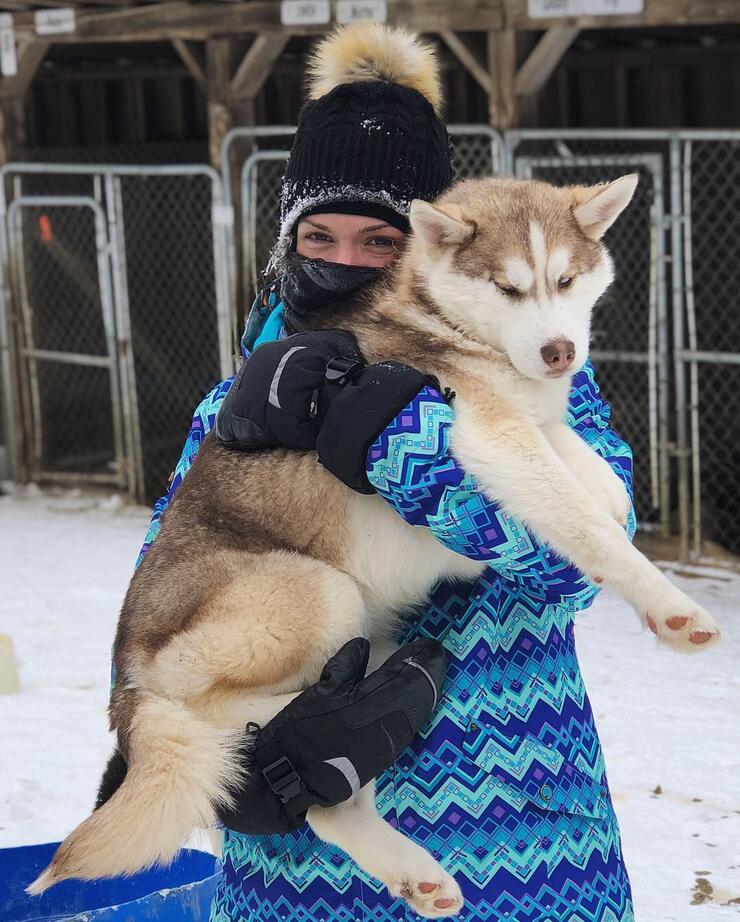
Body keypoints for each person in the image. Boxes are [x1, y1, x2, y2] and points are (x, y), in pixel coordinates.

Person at [137, 23, 636, 922]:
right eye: (318, 235)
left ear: (436, 249)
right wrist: (198, 750)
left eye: (380, 239)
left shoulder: (536, 373)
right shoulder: (238, 399)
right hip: (299, 870)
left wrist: (397, 445)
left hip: (512, 844)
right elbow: (177, 586)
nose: (345, 260)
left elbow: (574, 567)